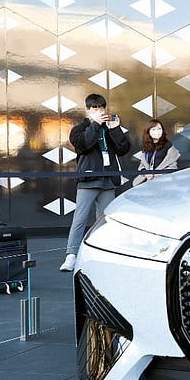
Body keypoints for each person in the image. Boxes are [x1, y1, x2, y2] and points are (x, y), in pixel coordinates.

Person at [60, 94, 131, 271]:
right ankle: (71, 255)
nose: (99, 112)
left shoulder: (110, 127)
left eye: (101, 108)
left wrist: (115, 129)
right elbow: (83, 144)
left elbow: (123, 149)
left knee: (105, 219)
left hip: (108, 179)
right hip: (88, 179)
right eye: (95, 108)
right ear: (88, 110)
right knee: (80, 218)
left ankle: (103, 252)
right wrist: (95, 124)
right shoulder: (80, 129)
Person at [132, 119, 181, 186]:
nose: (157, 132)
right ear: (148, 132)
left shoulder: (168, 146)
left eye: (159, 129)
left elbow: (172, 167)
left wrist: (155, 174)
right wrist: (146, 173)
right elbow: (142, 165)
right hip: (147, 182)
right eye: (153, 129)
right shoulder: (147, 146)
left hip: (163, 182)